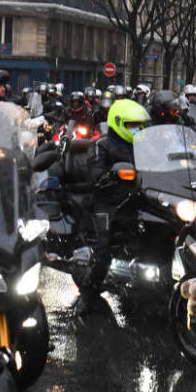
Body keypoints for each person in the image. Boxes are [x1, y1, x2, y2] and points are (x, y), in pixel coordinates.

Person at [73, 98, 150, 314]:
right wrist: (111, 175)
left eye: (139, 125)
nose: (137, 129)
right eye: (131, 125)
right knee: (103, 248)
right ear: (117, 123)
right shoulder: (101, 146)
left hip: (138, 198)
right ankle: (87, 294)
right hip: (108, 202)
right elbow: (94, 175)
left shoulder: (144, 145)